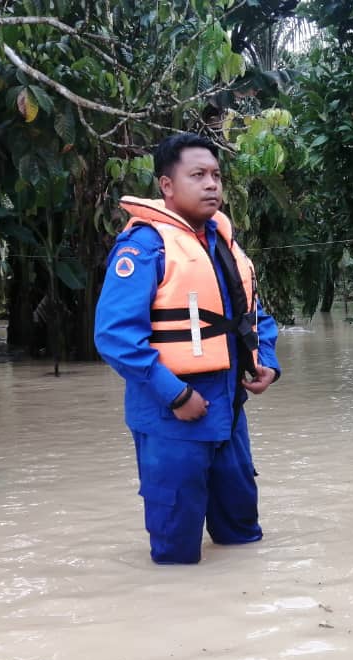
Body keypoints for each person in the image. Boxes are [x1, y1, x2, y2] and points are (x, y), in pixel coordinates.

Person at [94, 133, 281, 564]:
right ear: (166, 186)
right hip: (171, 419)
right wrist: (176, 395)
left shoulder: (223, 245)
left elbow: (253, 314)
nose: (212, 184)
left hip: (228, 414)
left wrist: (266, 360)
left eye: (216, 175)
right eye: (197, 175)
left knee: (241, 537)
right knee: (176, 554)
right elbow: (115, 336)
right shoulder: (143, 248)